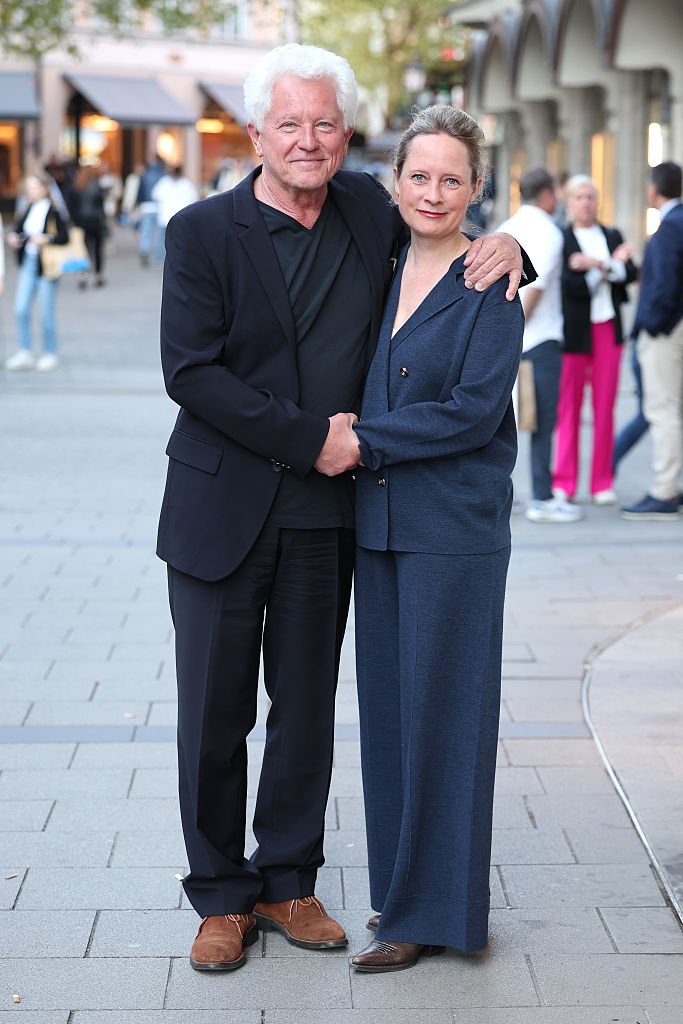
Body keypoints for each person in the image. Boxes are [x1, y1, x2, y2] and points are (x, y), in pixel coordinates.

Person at [157, 42, 529, 974]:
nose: (307, 139)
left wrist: (514, 244)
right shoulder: (201, 232)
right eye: (289, 123)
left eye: (324, 123)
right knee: (212, 715)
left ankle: (287, 881)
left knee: (306, 711)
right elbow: (191, 373)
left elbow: (446, 210)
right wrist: (311, 439)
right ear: (255, 132)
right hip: (223, 508)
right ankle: (220, 897)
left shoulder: (368, 208)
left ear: (348, 134)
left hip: (328, 513)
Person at [333, 105, 523, 973]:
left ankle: (438, 915)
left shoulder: (490, 286)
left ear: (476, 189)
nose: (433, 193)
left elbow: (474, 412)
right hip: (377, 527)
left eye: (452, 179)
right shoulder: (375, 263)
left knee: (446, 721)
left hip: (452, 529)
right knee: (389, 721)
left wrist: (363, 440)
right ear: (395, 182)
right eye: (419, 176)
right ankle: (401, 899)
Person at [498, 168, 583, 522]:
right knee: (543, 422)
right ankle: (542, 499)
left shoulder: (506, 227)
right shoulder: (549, 231)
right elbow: (533, 288)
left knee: (508, 422)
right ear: (547, 195)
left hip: (511, 341)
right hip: (539, 340)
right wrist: (515, 330)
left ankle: (505, 494)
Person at [552, 175, 637, 504]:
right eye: (579, 197)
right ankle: (565, 481)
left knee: (605, 407)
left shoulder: (612, 234)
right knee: (569, 407)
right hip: (575, 332)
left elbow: (631, 274)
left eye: (590, 197)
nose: (586, 203)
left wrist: (595, 265)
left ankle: (602, 482)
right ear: (569, 203)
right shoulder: (562, 237)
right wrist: (610, 267)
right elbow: (569, 285)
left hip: (607, 328)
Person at [621, 161, 683, 519]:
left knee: (662, 409)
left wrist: (653, 326)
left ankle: (664, 491)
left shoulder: (670, 227)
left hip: (667, 333)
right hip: (674, 328)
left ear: (654, 189)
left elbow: (663, 285)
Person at [5, 173, 68, 372]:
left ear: (44, 188)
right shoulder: (27, 208)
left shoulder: (54, 211)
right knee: (21, 308)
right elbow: (19, 231)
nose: (30, 191)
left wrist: (46, 239)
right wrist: (14, 238)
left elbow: (64, 237)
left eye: (34, 187)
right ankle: (25, 351)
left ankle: (50, 352)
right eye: (28, 187)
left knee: (46, 312)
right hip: (28, 264)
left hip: (47, 267)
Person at [151, 166, 198, 262]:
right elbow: (193, 198)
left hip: (166, 215)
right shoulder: (185, 183)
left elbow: (155, 195)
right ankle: (178, 258)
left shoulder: (165, 182)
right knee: (180, 239)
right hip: (180, 216)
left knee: (162, 238)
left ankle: (159, 257)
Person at [71, 164, 106, 288]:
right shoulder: (96, 187)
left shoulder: (77, 187)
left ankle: (83, 274)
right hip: (95, 222)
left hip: (81, 222)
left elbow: (71, 207)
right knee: (97, 249)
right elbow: (101, 206)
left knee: (82, 250)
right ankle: (98, 274)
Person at [136, 157, 165, 266]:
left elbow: (140, 191)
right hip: (159, 206)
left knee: (146, 231)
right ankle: (158, 256)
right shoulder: (163, 176)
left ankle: (144, 250)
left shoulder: (145, 175)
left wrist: (140, 203)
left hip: (146, 206)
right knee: (158, 233)